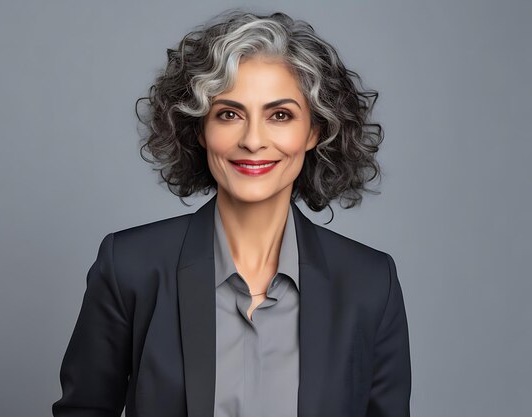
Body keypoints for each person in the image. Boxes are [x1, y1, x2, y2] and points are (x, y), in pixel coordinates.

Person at [52, 9, 411, 417]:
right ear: (199, 129)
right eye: (229, 114)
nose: (253, 140)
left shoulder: (369, 283)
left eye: (280, 115)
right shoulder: (130, 266)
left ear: (314, 131)